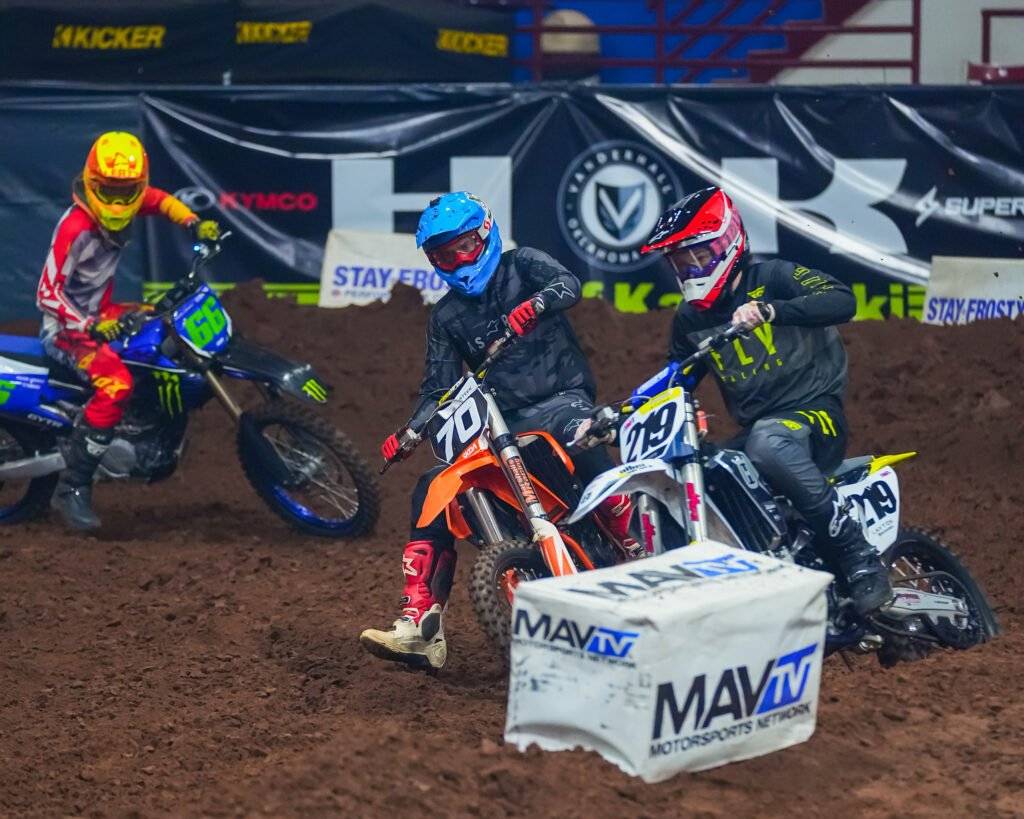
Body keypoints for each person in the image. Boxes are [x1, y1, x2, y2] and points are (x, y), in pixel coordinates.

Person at [359, 191, 635, 670]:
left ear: (485, 234)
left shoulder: (522, 265)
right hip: (501, 423)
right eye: (444, 255)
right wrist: (411, 432)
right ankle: (421, 621)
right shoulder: (446, 316)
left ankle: (633, 541)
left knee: (582, 431)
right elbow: (438, 388)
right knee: (431, 489)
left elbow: (569, 283)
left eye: (464, 247)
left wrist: (539, 302)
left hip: (560, 399)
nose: (458, 261)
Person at [640, 186, 892, 616]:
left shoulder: (773, 278)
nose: (690, 268)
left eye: (697, 256)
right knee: (704, 470)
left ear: (728, 242)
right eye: (680, 261)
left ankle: (860, 558)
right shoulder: (689, 320)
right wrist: (620, 411)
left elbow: (842, 299)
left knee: (768, 442)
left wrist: (773, 310)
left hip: (816, 414)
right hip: (758, 429)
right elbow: (676, 377)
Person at [37, 131, 220, 531]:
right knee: (116, 384)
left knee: (160, 326)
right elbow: (46, 294)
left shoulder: (135, 198)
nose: (119, 203)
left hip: (104, 314)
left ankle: (142, 425)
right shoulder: (76, 228)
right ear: (90, 183)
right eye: (109, 192)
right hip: (68, 328)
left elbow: (158, 199)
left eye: (127, 193)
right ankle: (73, 486)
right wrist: (90, 324)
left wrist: (192, 222)